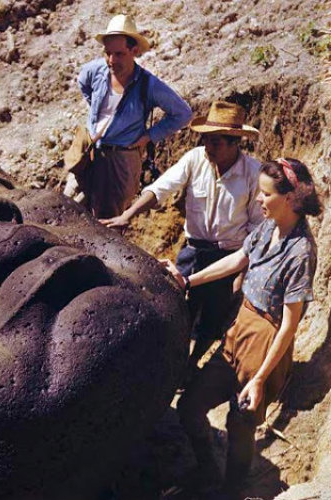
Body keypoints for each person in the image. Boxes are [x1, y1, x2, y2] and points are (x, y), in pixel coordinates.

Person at [161, 157, 322, 496]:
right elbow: (239, 260)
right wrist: (188, 281)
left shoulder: (301, 253)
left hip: (264, 344)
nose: (258, 199)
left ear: (290, 198)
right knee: (189, 406)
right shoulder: (268, 226)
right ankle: (208, 469)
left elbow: (289, 327)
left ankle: (232, 488)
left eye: (265, 193)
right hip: (238, 328)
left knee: (241, 424)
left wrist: (261, 378)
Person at [101, 101, 264, 369]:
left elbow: (257, 230)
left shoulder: (253, 173)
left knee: (212, 317)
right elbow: (160, 188)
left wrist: (244, 271)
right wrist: (127, 215)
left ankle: (193, 364)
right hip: (193, 252)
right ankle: (169, 366)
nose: (208, 148)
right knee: (176, 308)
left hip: (229, 257)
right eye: (206, 140)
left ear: (235, 142)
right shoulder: (195, 159)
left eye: (216, 142)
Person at [69, 14, 192, 218]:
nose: (111, 60)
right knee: (70, 208)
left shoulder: (148, 84)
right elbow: (82, 81)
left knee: (108, 222)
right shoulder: (96, 70)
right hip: (89, 151)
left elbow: (182, 113)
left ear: (134, 52)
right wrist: (95, 117)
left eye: (118, 54)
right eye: (108, 53)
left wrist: (148, 136)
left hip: (121, 159)